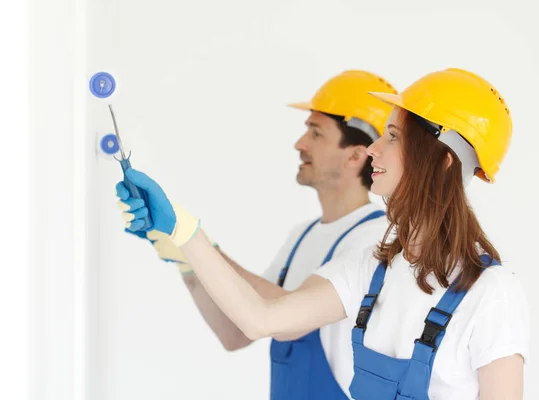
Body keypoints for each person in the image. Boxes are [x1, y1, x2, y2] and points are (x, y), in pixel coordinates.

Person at [117, 67, 530, 399]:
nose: (372, 151)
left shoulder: (491, 293)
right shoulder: (371, 268)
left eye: (392, 137)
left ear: (441, 160)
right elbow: (260, 319)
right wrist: (181, 233)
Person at [120, 70, 399, 399]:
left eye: (316, 132)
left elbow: (286, 319)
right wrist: (185, 259)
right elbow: (236, 331)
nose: (300, 143)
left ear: (355, 155)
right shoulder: (303, 235)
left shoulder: (376, 239)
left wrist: (194, 240)